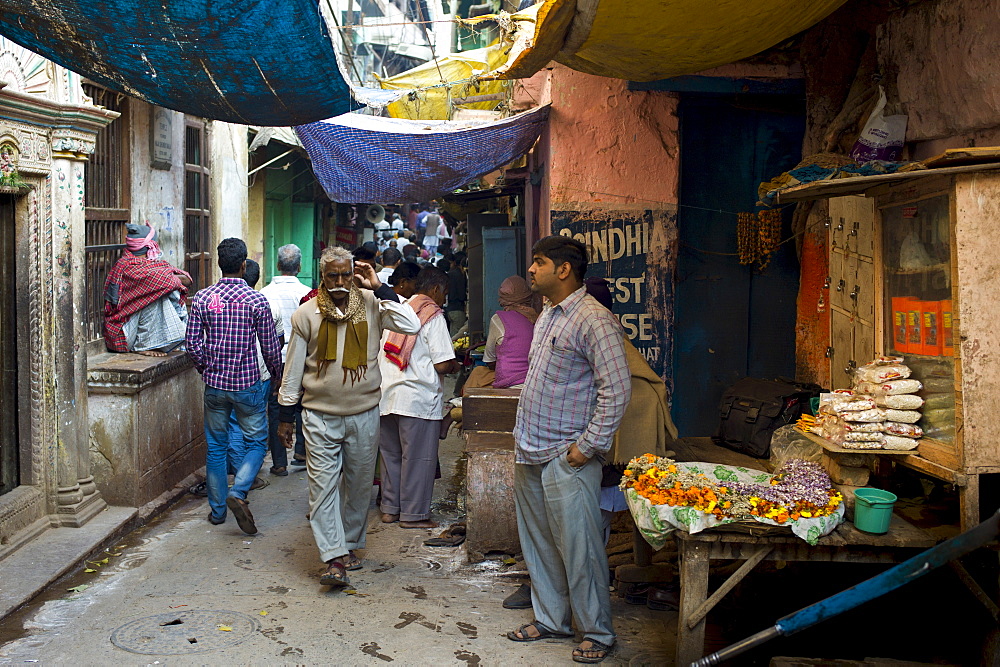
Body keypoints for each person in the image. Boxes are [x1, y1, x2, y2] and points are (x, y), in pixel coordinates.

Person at [505, 236, 630, 664]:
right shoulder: (547, 316)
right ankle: (552, 620)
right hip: (531, 449)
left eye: (539, 263)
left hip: (567, 454)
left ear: (563, 270)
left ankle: (597, 632)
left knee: (581, 547)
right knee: (539, 543)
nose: (532, 271)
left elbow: (616, 390)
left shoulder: (594, 320)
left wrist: (587, 447)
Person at [276, 246, 420, 589]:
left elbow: (411, 324)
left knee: (357, 488)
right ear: (322, 277)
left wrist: (380, 287)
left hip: (364, 413)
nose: (340, 282)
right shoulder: (307, 314)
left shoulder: (372, 304)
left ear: (354, 273)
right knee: (322, 489)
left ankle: (350, 544)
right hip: (318, 416)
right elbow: (293, 369)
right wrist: (285, 416)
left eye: (345, 274)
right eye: (332, 276)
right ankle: (333, 558)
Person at [186, 238, 282, 534]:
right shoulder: (256, 300)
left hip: (214, 386)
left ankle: (217, 512)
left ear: (219, 263)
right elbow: (270, 348)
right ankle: (238, 491)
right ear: (243, 265)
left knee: (216, 447)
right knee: (256, 443)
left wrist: (206, 367)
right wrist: (277, 378)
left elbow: (191, 344)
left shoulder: (203, 298)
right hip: (248, 385)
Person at [378, 266, 459, 529]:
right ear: (435, 289)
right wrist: (456, 365)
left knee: (391, 457)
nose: (444, 299)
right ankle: (413, 515)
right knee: (417, 459)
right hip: (417, 398)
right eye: (444, 293)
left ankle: (390, 509)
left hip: (387, 395)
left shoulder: (398, 310)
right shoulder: (432, 315)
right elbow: (443, 363)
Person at [103, 223, 192, 356]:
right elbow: (176, 280)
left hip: (131, 327)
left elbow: (186, 279)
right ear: (149, 246)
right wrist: (173, 277)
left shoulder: (148, 266)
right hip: (121, 333)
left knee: (171, 291)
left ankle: (167, 341)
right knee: (158, 295)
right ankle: (144, 345)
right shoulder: (130, 267)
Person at [260, 244, 312, 473]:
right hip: (301, 357)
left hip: (274, 359)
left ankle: (279, 463)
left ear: (278, 265)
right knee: (302, 403)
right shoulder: (307, 294)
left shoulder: (264, 294)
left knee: (276, 406)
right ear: (299, 266)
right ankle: (300, 451)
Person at [483, 276, 538, 388]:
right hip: (533, 384)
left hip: (508, 384)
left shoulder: (499, 319)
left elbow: (489, 358)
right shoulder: (537, 318)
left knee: (478, 375)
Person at [445, 253, 468, 337]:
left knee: (452, 335)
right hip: (457, 309)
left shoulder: (450, 274)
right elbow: (462, 295)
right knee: (457, 337)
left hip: (450, 309)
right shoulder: (459, 276)